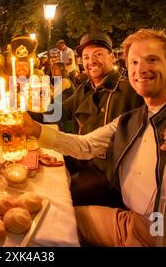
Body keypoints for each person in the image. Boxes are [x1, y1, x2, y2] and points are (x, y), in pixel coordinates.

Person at [23, 29, 166, 246]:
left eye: (151, 59)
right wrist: (33, 128)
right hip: (134, 222)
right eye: (133, 62)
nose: (140, 69)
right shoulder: (128, 119)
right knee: (52, 222)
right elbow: (85, 144)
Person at [61, 31, 143, 206]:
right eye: (86, 57)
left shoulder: (129, 90)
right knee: (44, 171)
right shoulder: (84, 89)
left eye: (98, 54)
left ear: (112, 57)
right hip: (80, 159)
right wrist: (24, 110)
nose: (91, 61)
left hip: (108, 174)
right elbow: (58, 112)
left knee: (60, 194)